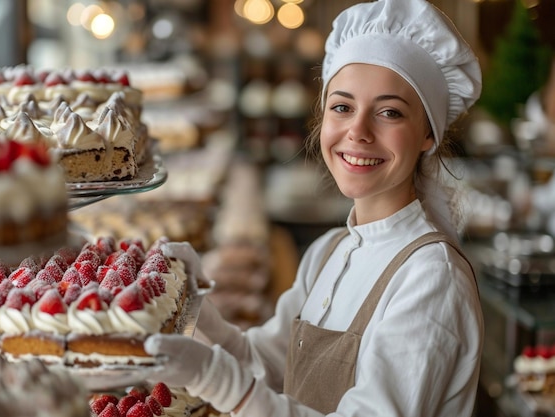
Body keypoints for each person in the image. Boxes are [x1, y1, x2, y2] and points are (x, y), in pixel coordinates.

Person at [145, 0, 484, 416]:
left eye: (389, 112)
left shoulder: (431, 278)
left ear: (428, 134)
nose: (357, 131)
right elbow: (267, 366)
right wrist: (194, 306)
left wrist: (213, 377)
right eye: (342, 107)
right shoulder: (328, 250)